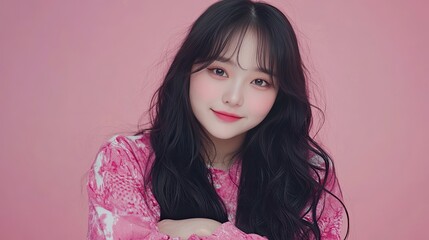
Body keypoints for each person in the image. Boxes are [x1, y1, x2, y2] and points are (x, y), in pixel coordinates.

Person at [86, 0, 349, 239]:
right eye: (219, 71)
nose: (234, 98)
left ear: (280, 93)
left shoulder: (308, 173)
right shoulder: (124, 160)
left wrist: (210, 230)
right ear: (187, 70)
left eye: (259, 81)